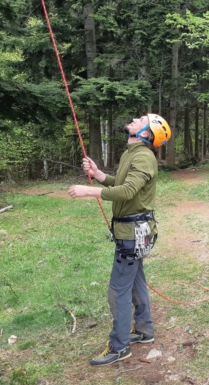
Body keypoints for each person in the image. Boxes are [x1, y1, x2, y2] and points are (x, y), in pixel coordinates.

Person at [68, 114, 171, 366]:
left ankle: (119, 346)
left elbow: (126, 192)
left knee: (118, 290)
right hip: (132, 233)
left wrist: (88, 191)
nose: (135, 118)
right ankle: (144, 332)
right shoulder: (131, 153)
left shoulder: (144, 157)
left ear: (147, 133)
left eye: (142, 119)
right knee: (135, 282)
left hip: (133, 235)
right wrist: (99, 174)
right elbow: (121, 184)